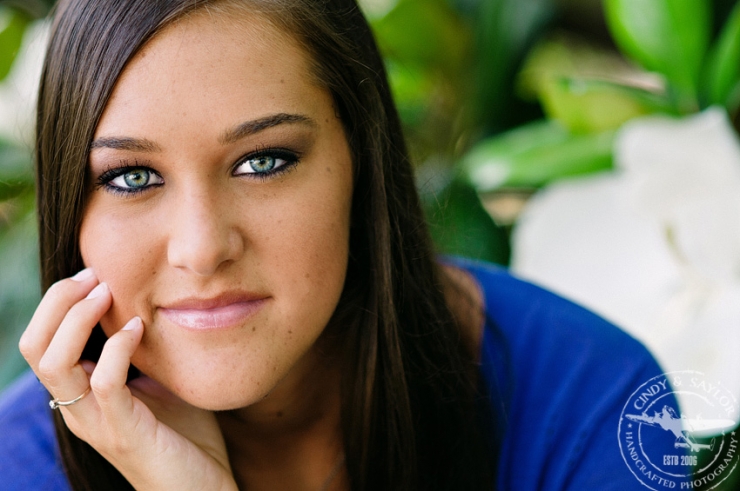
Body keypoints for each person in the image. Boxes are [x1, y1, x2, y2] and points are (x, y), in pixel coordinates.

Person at [0, 0, 683, 489]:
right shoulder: (19, 464)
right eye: (132, 176)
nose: (202, 248)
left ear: (363, 160)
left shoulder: (594, 404)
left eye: (262, 161)